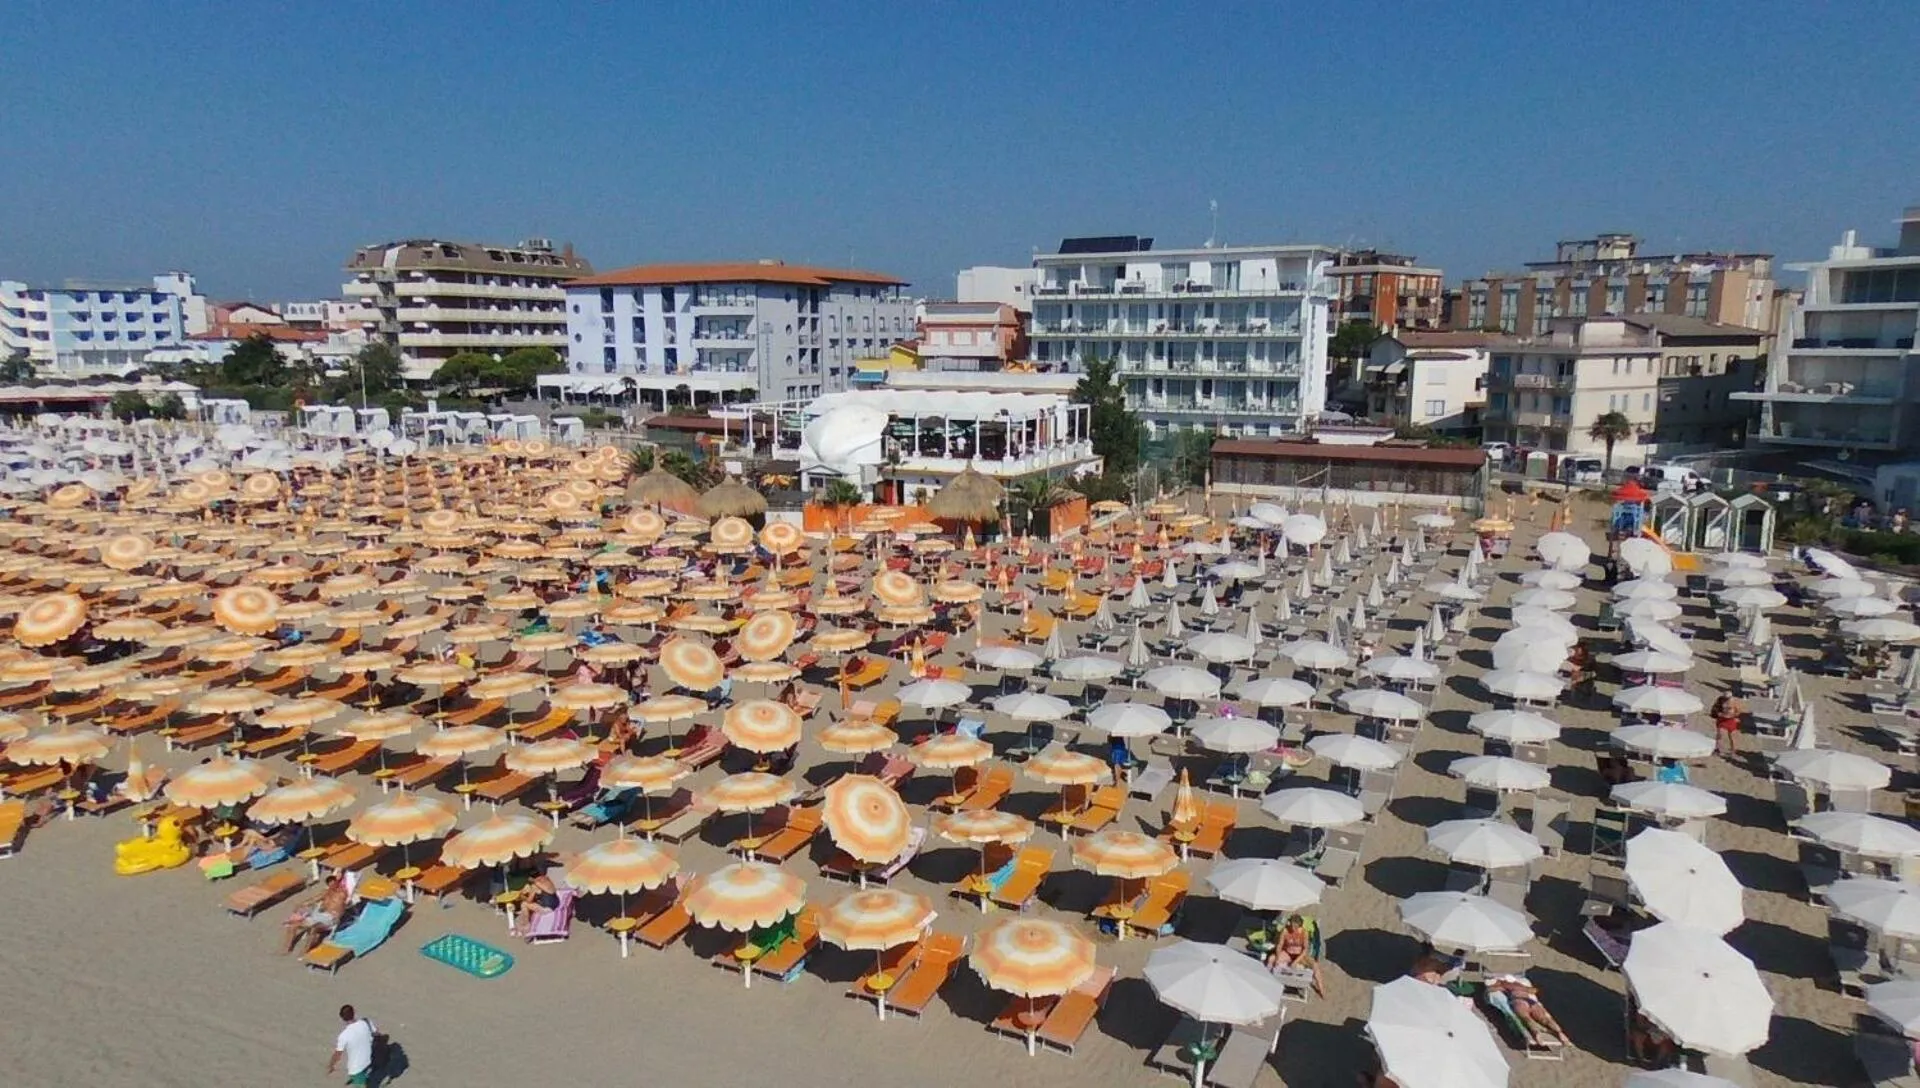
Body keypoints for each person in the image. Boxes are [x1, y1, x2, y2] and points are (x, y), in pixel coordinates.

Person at [1485, 975, 1570, 1046]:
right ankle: (1559, 1032)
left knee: (1526, 1018)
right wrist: (1524, 989)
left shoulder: (1504, 984)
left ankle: (1536, 1033)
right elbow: (1534, 990)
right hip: (1531, 1001)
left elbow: (1489, 989)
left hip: (1518, 1000)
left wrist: (1500, 987)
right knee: (1545, 1019)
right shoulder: (1521, 985)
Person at [282, 875, 350, 955]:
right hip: (318, 916)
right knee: (292, 926)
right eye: (330, 884)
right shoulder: (325, 893)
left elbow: (345, 901)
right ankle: (286, 949)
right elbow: (313, 899)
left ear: (337, 883)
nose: (332, 886)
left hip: (330, 918)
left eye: (334, 883)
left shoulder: (342, 893)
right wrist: (301, 904)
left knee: (314, 928)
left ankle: (304, 951)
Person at [1264, 914, 1325, 996]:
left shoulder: (1304, 932)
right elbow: (1279, 945)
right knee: (1271, 959)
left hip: (1300, 955)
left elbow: (1305, 949)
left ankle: (1321, 988)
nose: (1293, 928)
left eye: (1295, 926)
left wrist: (1296, 961)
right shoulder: (1285, 931)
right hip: (1288, 953)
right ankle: (1267, 981)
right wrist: (1278, 957)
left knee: (1315, 965)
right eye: (1292, 926)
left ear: (1299, 926)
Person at [328, 1004, 377, 1086]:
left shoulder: (344, 1035)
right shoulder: (366, 1022)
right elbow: (376, 1033)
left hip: (355, 1068)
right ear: (354, 1012)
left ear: (342, 1018)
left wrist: (331, 1065)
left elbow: (338, 1054)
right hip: (367, 1061)